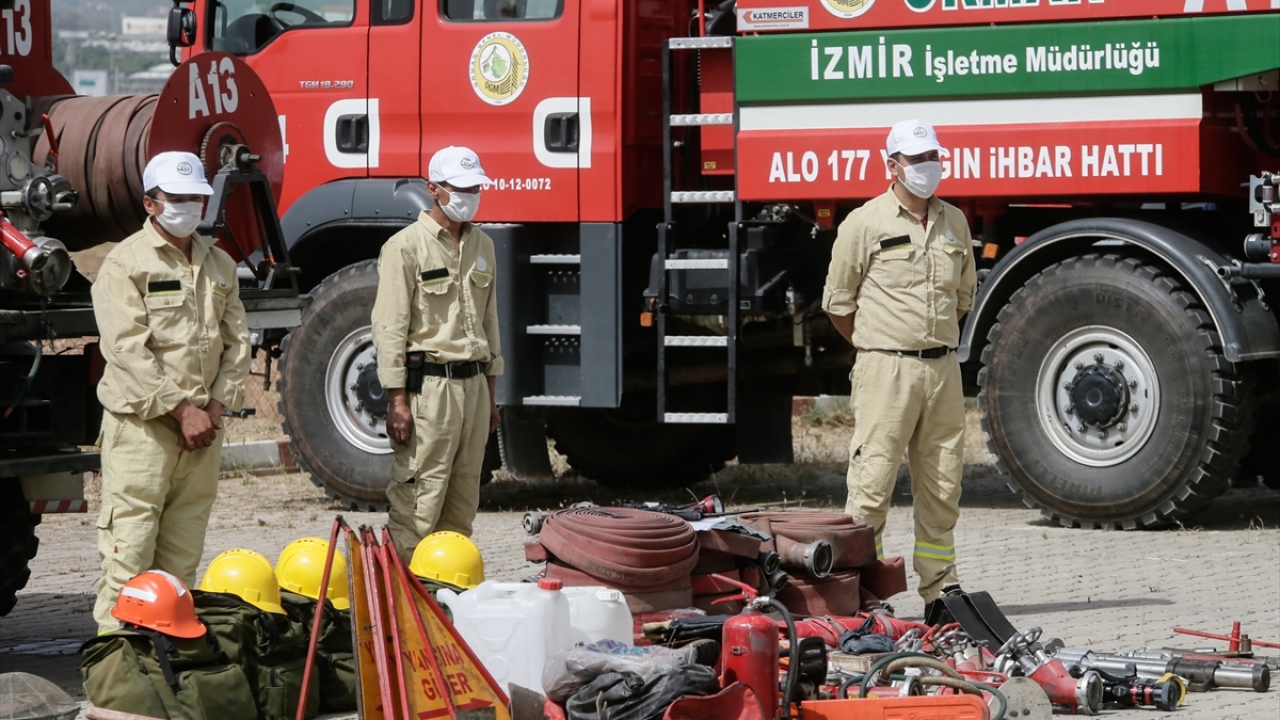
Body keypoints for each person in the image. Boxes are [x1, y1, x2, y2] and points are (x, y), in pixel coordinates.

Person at [821, 119, 977, 621]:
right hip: (885, 370)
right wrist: (881, 347)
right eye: (916, 159)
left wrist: (927, 344)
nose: (928, 167)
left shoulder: (955, 221)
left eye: (933, 156)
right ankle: (864, 593)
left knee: (942, 484)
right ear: (892, 165)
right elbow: (839, 305)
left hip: (942, 371)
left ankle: (940, 593)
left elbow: (962, 298)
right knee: (872, 485)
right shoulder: (863, 223)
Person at [91, 151, 250, 634]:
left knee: (179, 567)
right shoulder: (124, 264)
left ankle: (164, 674)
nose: (188, 207)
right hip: (144, 433)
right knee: (130, 562)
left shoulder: (219, 263)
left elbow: (237, 339)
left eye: (196, 198)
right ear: (150, 203)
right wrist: (182, 411)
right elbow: (126, 350)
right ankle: (115, 681)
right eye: (176, 199)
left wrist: (214, 409)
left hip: (202, 433)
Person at [371, 146, 502, 562]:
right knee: (419, 509)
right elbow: (389, 327)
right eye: (461, 188)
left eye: (476, 187)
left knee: (462, 509)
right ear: (434, 190)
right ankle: (404, 598)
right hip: (430, 392)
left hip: (474, 390)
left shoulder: (483, 245)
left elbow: (490, 324)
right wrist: (397, 401)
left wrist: (491, 395)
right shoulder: (404, 248)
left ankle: (447, 601)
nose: (471, 195)